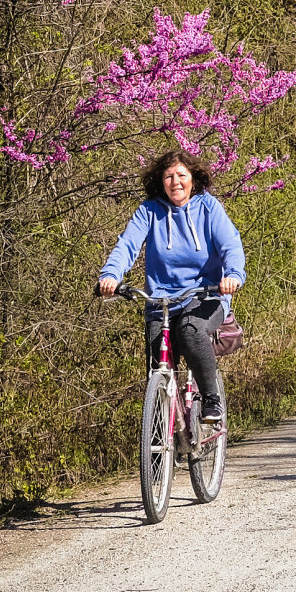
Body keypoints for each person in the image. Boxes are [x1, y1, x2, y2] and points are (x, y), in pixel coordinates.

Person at [98, 148, 245, 423]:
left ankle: (211, 398)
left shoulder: (208, 207)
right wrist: (111, 276)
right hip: (160, 301)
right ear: (160, 181)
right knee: (158, 369)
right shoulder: (149, 211)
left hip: (206, 295)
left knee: (191, 331)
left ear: (193, 178)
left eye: (181, 175)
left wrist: (233, 275)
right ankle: (158, 451)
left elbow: (230, 245)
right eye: (168, 176)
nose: (175, 182)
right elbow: (127, 245)